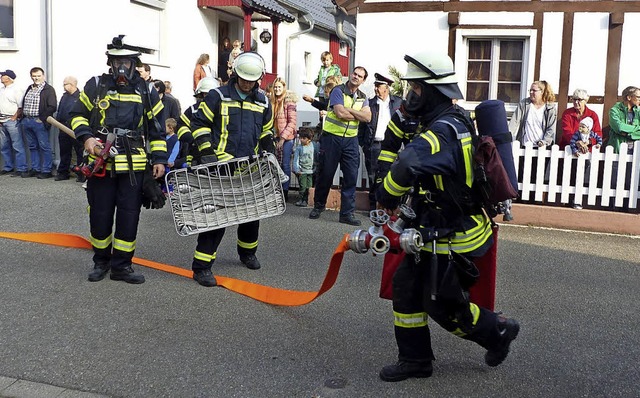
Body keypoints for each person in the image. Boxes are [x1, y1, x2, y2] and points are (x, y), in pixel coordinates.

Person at [375, 50, 520, 382]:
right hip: (434, 227)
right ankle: (415, 360)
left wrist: (386, 196)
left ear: (433, 91)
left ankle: (498, 331)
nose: (411, 95)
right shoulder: (448, 120)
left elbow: (408, 163)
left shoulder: (443, 131)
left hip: (454, 234)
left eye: (416, 89)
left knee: (444, 305)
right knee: (407, 287)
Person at [69, 36, 167, 284]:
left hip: (133, 168)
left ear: (135, 64)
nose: (121, 68)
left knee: (129, 216)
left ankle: (122, 266)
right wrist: (87, 138)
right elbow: (77, 115)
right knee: (99, 215)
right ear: (110, 63)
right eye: (116, 62)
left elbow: (156, 129)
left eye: (126, 62)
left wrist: (160, 159)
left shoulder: (147, 90)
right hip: (101, 166)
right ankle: (101, 261)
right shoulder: (96, 85)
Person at [188, 52, 275, 287]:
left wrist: (270, 148)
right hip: (221, 166)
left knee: (251, 216)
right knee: (217, 218)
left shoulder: (263, 101)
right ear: (235, 74)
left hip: (249, 167)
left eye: (252, 80)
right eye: (244, 78)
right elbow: (199, 124)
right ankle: (202, 266)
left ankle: (247, 253)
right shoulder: (217, 96)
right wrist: (207, 153)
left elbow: (267, 130)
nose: (247, 83)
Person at [309, 66, 371, 226]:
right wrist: (356, 114)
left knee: (351, 177)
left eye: (360, 76)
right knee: (326, 174)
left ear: (363, 80)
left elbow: (368, 117)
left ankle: (346, 214)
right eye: (354, 74)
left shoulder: (363, 96)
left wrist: (349, 109)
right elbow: (339, 113)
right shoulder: (338, 90)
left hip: (351, 140)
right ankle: (318, 205)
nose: (356, 77)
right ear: (351, 75)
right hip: (332, 138)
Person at [357, 72, 402, 210]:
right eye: (375, 86)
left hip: (393, 146)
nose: (376, 89)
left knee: (393, 176)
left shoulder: (398, 103)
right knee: (373, 177)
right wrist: (364, 145)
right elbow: (362, 127)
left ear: (387, 88)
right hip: (374, 145)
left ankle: (391, 207)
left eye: (379, 86)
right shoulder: (369, 103)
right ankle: (374, 208)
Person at [20, 67, 57, 179]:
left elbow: (52, 106)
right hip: (26, 121)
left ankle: (46, 170)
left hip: (39, 121)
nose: (36, 78)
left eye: (38, 76)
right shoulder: (29, 88)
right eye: (34, 76)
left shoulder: (48, 89)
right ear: (31, 76)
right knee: (32, 146)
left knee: (44, 146)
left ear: (43, 76)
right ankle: (35, 169)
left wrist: (42, 118)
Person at [174, 77, 219, 170]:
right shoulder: (193, 110)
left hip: (219, 154)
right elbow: (181, 127)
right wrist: (193, 139)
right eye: (206, 94)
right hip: (196, 154)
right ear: (201, 94)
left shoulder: (222, 109)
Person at [270, 77, 298, 201]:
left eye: (279, 87)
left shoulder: (289, 103)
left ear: (283, 88)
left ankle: (285, 191)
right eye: (275, 87)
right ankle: (276, 190)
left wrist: (282, 138)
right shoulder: (272, 102)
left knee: (285, 164)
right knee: (275, 165)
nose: (277, 89)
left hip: (287, 138)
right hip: (275, 137)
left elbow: (292, 123)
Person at [509, 80, 557, 148]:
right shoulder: (524, 104)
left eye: (534, 90)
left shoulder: (550, 108)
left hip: (542, 148)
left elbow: (551, 129)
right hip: (524, 146)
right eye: (530, 90)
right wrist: (506, 138)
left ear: (542, 92)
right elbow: (514, 122)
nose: (531, 92)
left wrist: (544, 142)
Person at [54, 76, 84, 182]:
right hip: (63, 128)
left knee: (80, 152)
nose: (64, 86)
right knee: (64, 152)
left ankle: (81, 173)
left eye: (65, 84)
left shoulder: (81, 96)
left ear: (72, 84)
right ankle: (63, 173)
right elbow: (60, 110)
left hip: (75, 129)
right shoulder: (64, 97)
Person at [0, 69, 27, 177]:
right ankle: (8, 167)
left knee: (17, 145)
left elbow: (20, 106)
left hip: (11, 121)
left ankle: (21, 168)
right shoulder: (1, 89)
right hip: (1, 121)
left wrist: (14, 117)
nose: (1, 77)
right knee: (4, 146)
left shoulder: (16, 89)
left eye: (3, 75)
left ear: (9, 78)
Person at [607, 85, 640, 154]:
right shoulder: (614, 110)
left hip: (636, 152)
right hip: (618, 150)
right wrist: (637, 129)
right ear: (629, 97)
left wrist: (627, 134)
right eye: (638, 97)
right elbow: (619, 127)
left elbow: (621, 129)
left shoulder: (638, 111)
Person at [293, 127, 314, 207]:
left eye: (303, 138)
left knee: (309, 186)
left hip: (310, 170)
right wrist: (297, 169)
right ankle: (302, 199)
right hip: (302, 171)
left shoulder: (313, 146)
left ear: (309, 139)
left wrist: (315, 167)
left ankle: (307, 199)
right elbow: (296, 160)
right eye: (300, 138)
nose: (301, 140)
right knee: (303, 186)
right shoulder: (299, 148)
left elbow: (315, 157)